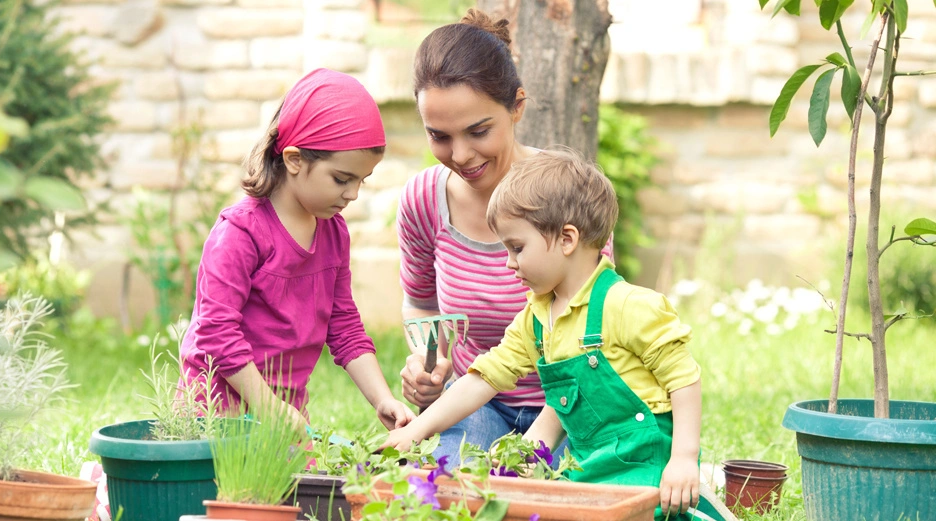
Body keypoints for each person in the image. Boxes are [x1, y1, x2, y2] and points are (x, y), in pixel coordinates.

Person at [387, 149, 703, 520]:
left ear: (567, 239)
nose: (508, 262)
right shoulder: (536, 317)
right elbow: (486, 380)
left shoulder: (629, 305)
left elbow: (684, 380)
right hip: (588, 467)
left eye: (517, 247)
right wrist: (419, 431)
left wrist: (683, 459)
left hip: (646, 466)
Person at [397, 8, 614, 466]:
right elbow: (420, 302)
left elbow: (595, 334)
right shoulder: (423, 200)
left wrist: (529, 454)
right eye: (439, 136)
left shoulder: (566, 194)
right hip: (478, 400)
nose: (459, 155)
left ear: (517, 106)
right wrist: (429, 362)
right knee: (449, 488)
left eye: (478, 131)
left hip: (569, 404)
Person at [179, 68, 414, 431]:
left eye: (361, 181)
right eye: (341, 179)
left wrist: (383, 398)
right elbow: (216, 333)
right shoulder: (239, 233)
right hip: (214, 413)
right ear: (294, 160)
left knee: (308, 489)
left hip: (283, 415)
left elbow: (344, 325)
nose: (352, 194)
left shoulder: (333, 232)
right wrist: (267, 407)